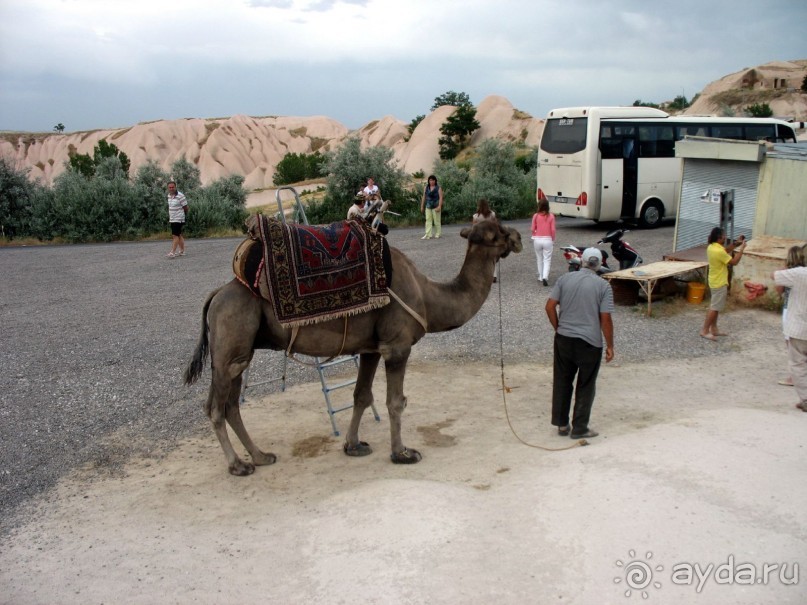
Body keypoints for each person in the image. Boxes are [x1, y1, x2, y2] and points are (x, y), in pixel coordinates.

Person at [545, 248, 615, 439]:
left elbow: (550, 306)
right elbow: (605, 319)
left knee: (562, 381)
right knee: (586, 385)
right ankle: (580, 428)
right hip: (590, 343)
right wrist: (610, 345)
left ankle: (561, 424)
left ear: (581, 261)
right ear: (600, 264)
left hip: (564, 339)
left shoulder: (564, 280)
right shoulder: (603, 286)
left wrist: (558, 328)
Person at [773, 249, 807, 412]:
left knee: (797, 363)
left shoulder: (798, 273)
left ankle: (806, 399)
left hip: (798, 325)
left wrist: (785, 266)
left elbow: (775, 276)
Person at [699, 227, 746, 341]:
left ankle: (714, 328)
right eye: (723, 235)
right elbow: (734, 262)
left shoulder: (712, 247)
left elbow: (725, 251)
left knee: (716, 306)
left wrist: (736, 243)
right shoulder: (718, 251)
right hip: (719, 282)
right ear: (719, 237)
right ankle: (705, 330)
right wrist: (742, 249)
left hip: (714, 280)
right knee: (714, 307)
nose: (725, 237)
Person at [531, 198, 556, 286]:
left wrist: (534, 234)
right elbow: (553, 230)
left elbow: (532, 229)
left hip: (537, 239)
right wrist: (552, 239)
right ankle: (545, 276)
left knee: (539, 258)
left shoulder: (536, 216)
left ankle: (541, 276)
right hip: (548, 240)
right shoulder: (551, 216)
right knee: (547, 259)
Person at [473, 198, 499, 282]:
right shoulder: (492, 214)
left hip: (481, 238)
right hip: (490, 237)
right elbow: (496, 225)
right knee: (492, 257)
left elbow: (474, 228)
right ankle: (494, 275)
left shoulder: (476, 216)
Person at [166, 180, 188, 258]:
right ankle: (182, 251)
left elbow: (185, 207)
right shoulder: (169, 195)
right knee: (179, 235)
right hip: (172, 218)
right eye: (170, 187)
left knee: (175, 235)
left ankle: (172, 252)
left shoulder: (180, 196)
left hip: (178, 218)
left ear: (175, 187)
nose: (171, 189)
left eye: (173, 187)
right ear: (168, 188)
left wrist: (183, 215)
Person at [420, 174, 444, 240]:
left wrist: (439, 206)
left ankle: (438, 233)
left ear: (435, 181)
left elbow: (441, 197)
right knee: (428, 220)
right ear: (428, 181)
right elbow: (424, 197)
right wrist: (422, 206)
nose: (431, 181)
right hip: (428, 206)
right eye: (430, 180)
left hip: (436, 206)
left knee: (437, 221)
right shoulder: (426, 187)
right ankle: (428, 234)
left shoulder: (438, 188)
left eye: (433, 180)